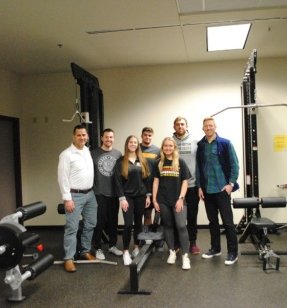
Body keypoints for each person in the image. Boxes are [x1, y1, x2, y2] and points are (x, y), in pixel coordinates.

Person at [196, 117, 239, 265]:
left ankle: (233, 252)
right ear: (203, 128)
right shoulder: (200, 145)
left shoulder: (225, 143)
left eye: (210, 126)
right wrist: (200, 186)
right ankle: (215, 248)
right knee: (212, 222)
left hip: (222, 190)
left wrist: (230, 184)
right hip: (207, 190)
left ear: (215, 127)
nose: (208, 128)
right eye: (206, 126)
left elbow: (235, 165)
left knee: (228, 223)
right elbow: (199, 168)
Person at [58, 124, 98, 273]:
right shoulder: (66, 154)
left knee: (91, 224)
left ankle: (85, 251)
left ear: (87, 137)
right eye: (79, 135)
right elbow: (62, 178)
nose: (82, 138)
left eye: (84, 135)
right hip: (74, 195)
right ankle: (68, 258)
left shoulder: (87, 151)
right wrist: (67, 199)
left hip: (90, 194)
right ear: (73, 136)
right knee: (72, 228)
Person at [153, 137, 191, 270]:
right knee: (168, 226)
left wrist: (181, 198)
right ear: (162, 148)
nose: (168, 148)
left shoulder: (180, 162)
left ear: (174, 147)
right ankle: (171, 252)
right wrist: (154, 199)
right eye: (165, 146)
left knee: (181, 226)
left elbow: (185, 182)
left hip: (178, 199)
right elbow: (156, 182)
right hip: (163, 200)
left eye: (170, 146)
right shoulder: (158, 163)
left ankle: (185, 256)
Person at [114, 135, 151, 266]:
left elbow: (147, 179)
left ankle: (136, 247)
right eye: (131, 142)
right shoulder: (120, 161)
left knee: (138, 224)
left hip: (141, 196)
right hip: (127, 197)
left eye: (135, 142)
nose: (133, 144)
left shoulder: (143, 160)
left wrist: (148, 195)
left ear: (138, 145)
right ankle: (125, 252)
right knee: (128, 224)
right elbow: (117, 182)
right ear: (127, 144)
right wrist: (122, 198)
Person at [91, 128, 122, 260]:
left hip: (114, 193)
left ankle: (112, 246)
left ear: (113, 139)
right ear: (102, 138)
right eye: (106, 137)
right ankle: (97, 248)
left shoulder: (118, 154)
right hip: (99, 192)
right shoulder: (93, 154)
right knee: (99, 221)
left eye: (111, 137)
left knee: (113, 221)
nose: (109, 139)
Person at [173, 116, 200, 255]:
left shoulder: (195, 141)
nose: (180, 126)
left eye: (182, 124)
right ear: (174, 127)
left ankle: (193, 242)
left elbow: (200, 162)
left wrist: (200, 184)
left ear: (186, 125)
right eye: (177, 124)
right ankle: (177, 242)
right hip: (176, 186)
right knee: (178, 216)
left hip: (192, 185)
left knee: (192, 216)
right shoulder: (170, 142)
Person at [140, 127, 160, 226]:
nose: (147, 137)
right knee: (147, 215)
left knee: (158, 215)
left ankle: (157, 240)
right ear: (141, 136)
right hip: (142, 187)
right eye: (145, 135)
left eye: (149, 135)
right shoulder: (136, 149)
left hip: (156, 187)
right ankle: (147, 238)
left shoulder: (158, 150)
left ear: (152, 136)